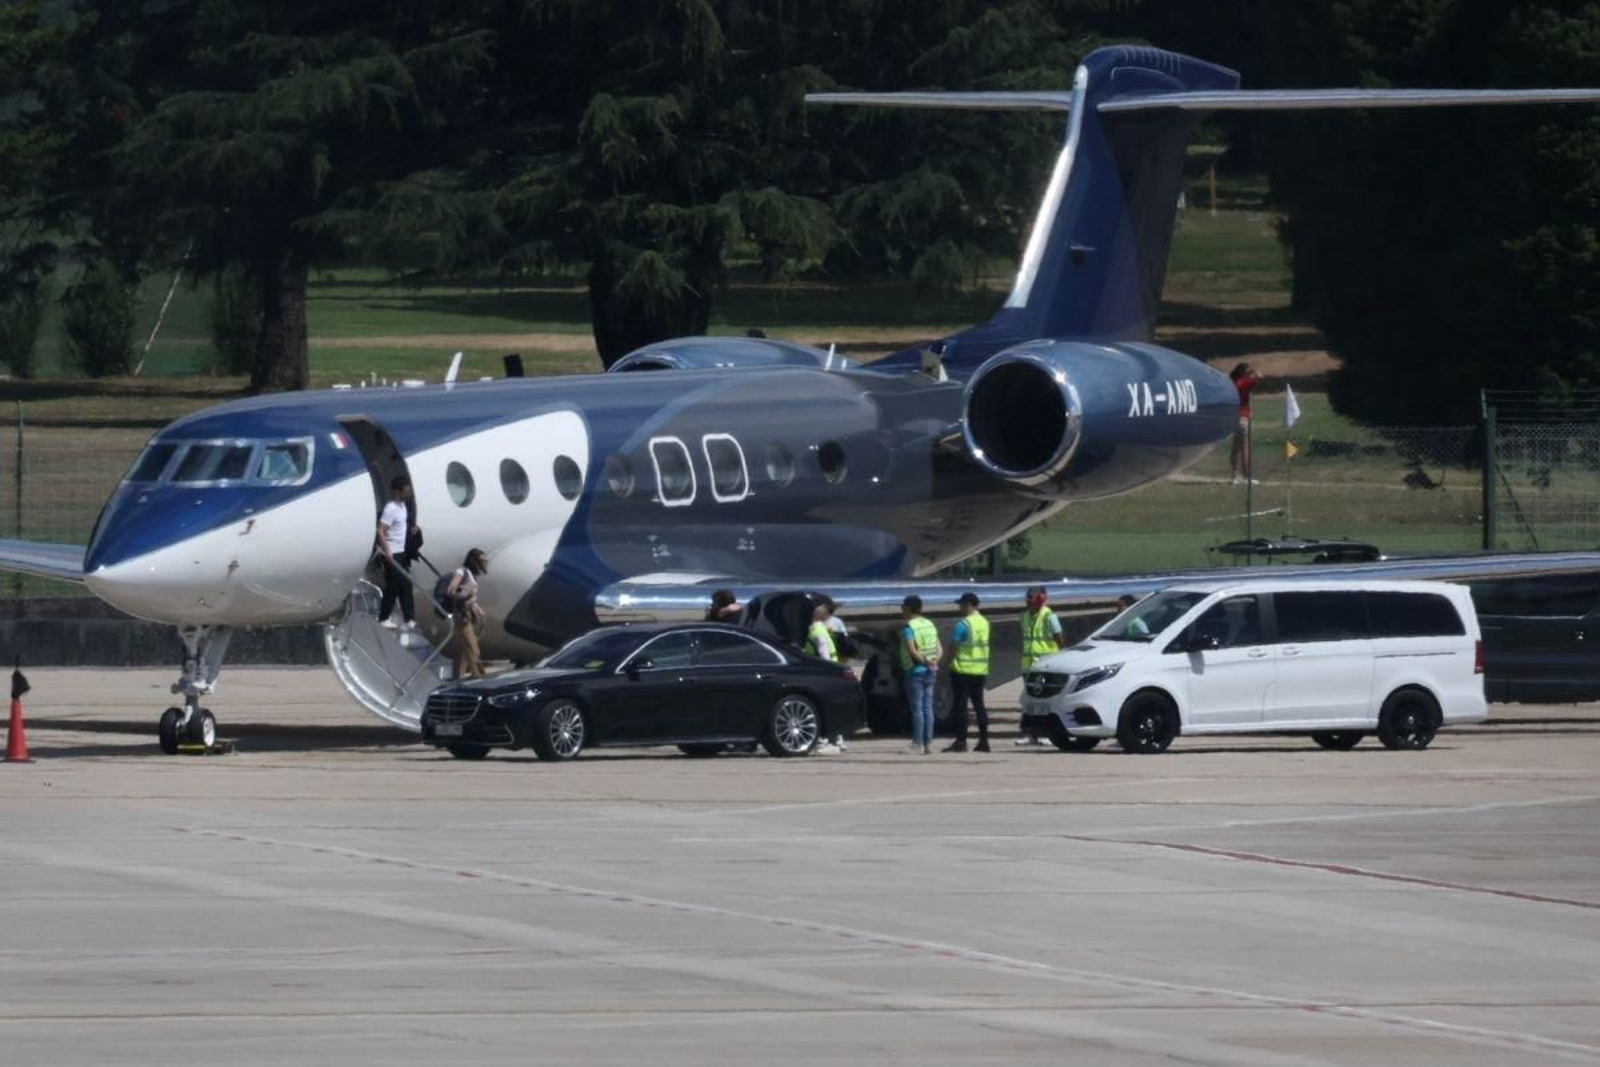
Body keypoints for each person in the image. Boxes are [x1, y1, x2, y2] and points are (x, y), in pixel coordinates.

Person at [1017, 586, 1066, 746]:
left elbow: (1059, 638)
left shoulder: (1049, 616)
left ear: (1040, 599)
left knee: (1044, 702)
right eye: (1027, 597)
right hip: (1028, 666)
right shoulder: (1024, 616)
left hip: (1044, 665)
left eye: (1031, 597)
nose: (1028, 600)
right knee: (1029, 701)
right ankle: (1030, 733)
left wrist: (1058, 657)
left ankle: (1046, 733)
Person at [943, 592, 990, 753]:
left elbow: (954, 645)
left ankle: (961, 741)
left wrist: (949, 661)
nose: (960, 607)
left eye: (962, 604)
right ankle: (984, 741)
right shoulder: (984, 622)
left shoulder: (963, 624)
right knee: (979, 706)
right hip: (979, 670)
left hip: (962, 670)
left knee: (961, 707)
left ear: (969, 605)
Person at [900, 595, 941, 755]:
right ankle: (929, 743)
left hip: (916, 670)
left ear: (909, 608)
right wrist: (934, 662)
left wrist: (924, 662)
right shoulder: (929, 624)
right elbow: (939, 648)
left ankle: (917, 743)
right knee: (927, 707)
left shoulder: (909, 627)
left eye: (903, 606)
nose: (902, 609)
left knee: (917, 708)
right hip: (931, 671)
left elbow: (912, 650)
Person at [807, 602, 850, 755]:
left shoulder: (816, 632)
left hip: (826, 672)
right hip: (832, 669)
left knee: (826, 706)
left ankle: (829, 740)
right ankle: (837, 739)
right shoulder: (822, 629)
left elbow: (824, 654)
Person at [376, 476, 417, 630]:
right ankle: (384, 617)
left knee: (406, 584)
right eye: (406, 491)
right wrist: (387, 551)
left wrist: (413, 529)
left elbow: (400, 527)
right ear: (397, 491)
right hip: (392, 553)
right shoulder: (391, 508)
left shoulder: (403, 506)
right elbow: (380, 531)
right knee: (394, 585)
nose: (408, 493)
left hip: (401, 551)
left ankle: (409, 619)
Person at [445, 548, 489, 679]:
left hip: (469, 617)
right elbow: (451, 591)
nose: (485, 563)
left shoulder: (471, 574)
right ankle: (480, 679)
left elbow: (468, 598)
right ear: (473, 560)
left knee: (463, 652)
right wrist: (467, 593)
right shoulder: (461, 572)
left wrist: (477, 608)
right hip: (462, 618)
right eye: (482, 560)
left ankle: (457, 680)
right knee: (473, 650)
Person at [1229, 362, 1262, 485]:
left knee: (1235, 448)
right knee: (1245, 449)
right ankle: (1246, 476)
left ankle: (1234, 476)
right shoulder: (1244, 383)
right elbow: (1260, 376)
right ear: (1244, 372)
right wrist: (1253, 372)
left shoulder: (1233, 383)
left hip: (1234, 418)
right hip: (1244, 418)